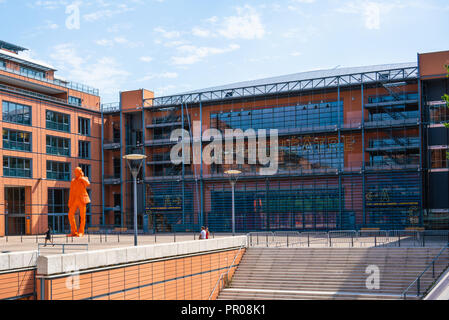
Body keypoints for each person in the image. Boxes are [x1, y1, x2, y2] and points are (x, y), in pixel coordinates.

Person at [68, 167, 91, 237]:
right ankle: (74, 231)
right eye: (75, 172)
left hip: (82, 200)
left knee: (82, 216)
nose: (75, 173)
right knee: (70, 214)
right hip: (75, 200)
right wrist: (70, 201)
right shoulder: (73, 181)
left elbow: (88, 183)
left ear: (80, 172)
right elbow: (71, 192)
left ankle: (81, 232)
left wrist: (82, 177)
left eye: (77, 172)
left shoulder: (84, 179)